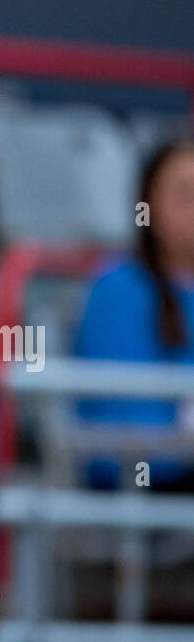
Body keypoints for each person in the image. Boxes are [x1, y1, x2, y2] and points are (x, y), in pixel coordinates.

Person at [74, 140, 194, 491]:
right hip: (152, 491)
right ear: (149, 206)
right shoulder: (119, 289)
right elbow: (122, 424)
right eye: (185, 195)